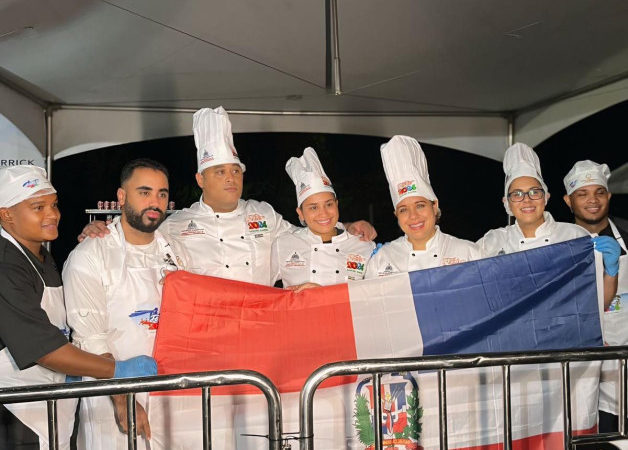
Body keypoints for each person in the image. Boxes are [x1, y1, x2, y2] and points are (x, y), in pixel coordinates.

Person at [0, 165, 157, 450]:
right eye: (37, 207)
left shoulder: (39, 255)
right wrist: (119, 372)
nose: (52, 214)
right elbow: (45, 349)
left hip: (46, 419)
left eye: (53, 205)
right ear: (6, 215)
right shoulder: (6, 266)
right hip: (14, 427)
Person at [79, 107, 376, 285]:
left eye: (235, 171)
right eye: (219, 172)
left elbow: (312, 234)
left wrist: (346, 227)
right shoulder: (175, 224)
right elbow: (136, 239)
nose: (230, 178)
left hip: (259, 323)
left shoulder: (265, 215)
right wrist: (101, 228)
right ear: (200, 179)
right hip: (205, 330)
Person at [62, 159, 189, 450]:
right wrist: (123, 400)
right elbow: (89, 338)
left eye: (162, 194)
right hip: (115, 402)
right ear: (121, 197)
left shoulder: (177, 249)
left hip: (174, 401)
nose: (155, 202)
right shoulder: (90, 256)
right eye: (144, 192)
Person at [477, 143, 619, 309]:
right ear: (507, 203)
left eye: (534, 192)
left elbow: (597, 305)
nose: (527, 200)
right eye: (517, 194)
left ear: (546, 197)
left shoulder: (573, 235)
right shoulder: (493, 242)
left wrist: (611, 272)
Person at [563, 160, 627, 432]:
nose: (592, 200)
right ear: (568, 200)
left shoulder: (626, 234)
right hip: (579, 369)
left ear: (609, 196)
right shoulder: (560, 242)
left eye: (599, 192)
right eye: (582, 194)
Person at [366, 135, 484, 278]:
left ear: (435, 206)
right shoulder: (382, 259)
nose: (413, 216)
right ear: (396, 215)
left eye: (420, 206)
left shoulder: (468, 253)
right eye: (403, 209)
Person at [270, 147, 375, 291]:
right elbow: (262, 290)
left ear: (337, 205)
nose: (323, 213)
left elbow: (375, 297)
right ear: (300, 213)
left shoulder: (364, 246)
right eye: (313, 207)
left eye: (329, 204)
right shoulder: (283, 244)